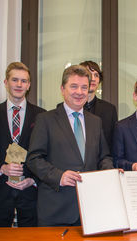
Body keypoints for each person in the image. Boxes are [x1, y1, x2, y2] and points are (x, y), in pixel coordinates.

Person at [26, 65, 113, 226]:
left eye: (84, 87)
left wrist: (109, 173)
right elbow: (33, 158)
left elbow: (104, 157)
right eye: (73, 86)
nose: (79, 92)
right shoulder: (45, 120)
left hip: (91, 210)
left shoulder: (95, 121)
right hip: (56, 211)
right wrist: (59, 176)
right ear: (62, 89)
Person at [0, 62, 45, 227]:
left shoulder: (42, 116)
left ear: (28, 85)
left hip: (30, 194)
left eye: (23, 81)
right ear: (6, 82)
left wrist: (33, 179)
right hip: (0, 194)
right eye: (15, 80)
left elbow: (46, 154)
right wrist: (1, 168)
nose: (19, 85)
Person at [79, 61, 118, 150]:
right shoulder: (67, 108)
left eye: (96, 75)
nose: (93, 78)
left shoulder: (110, 110)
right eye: (88, 74)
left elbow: (113, 145)